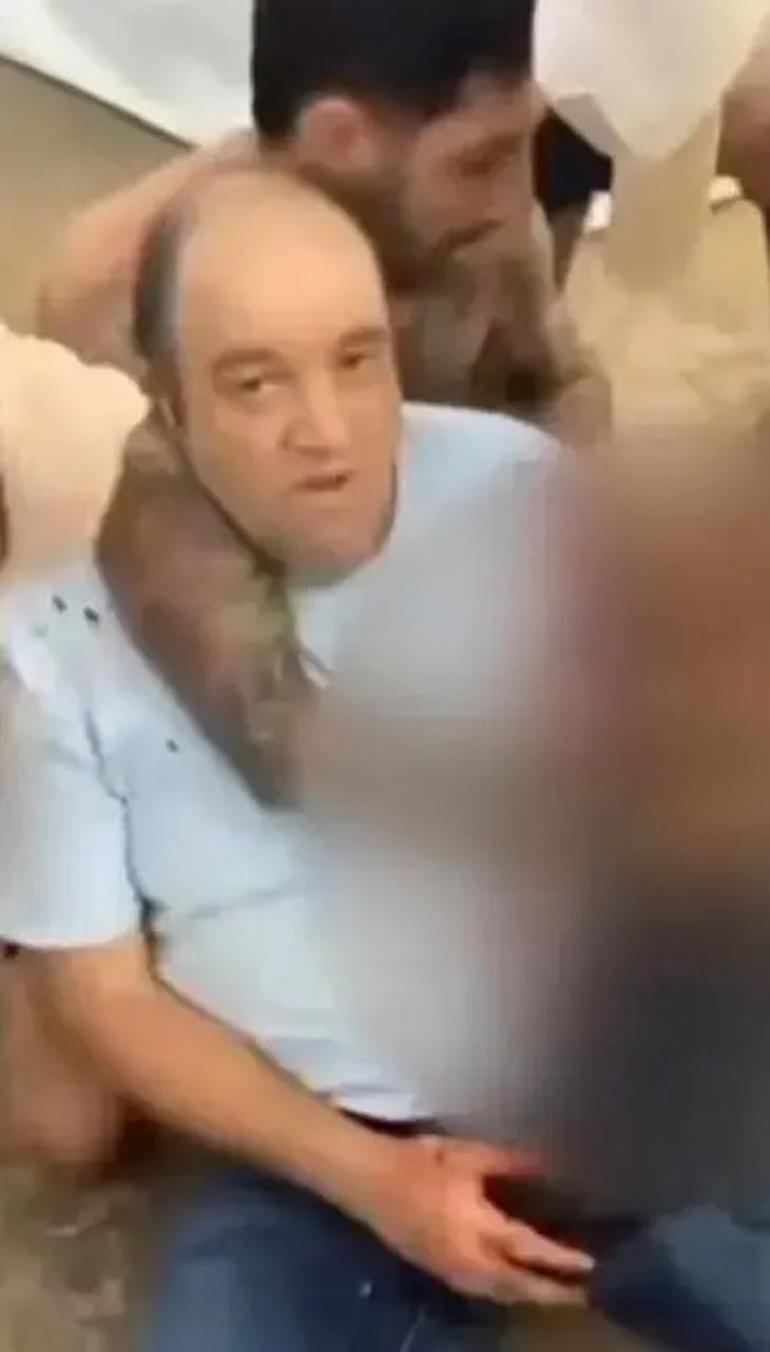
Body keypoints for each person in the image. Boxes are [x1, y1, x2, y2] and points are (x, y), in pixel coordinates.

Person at [0, 171, 593, 1350]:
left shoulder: (523, 491)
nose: (324, 431)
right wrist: (377, 1182)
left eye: (356, 360)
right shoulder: (57, 643)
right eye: (254, 381)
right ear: (166, 399)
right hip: (321, 1146)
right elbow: (105, 994)